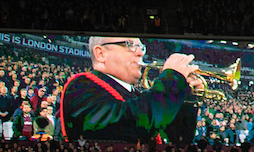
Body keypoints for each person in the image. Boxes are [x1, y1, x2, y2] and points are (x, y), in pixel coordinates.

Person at [59, 37, 201, 143]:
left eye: (141, 47)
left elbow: (179, 140)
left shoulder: (135, 95)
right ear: (100, 54)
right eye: (130, 45)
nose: (140, 53)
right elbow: (128, 126)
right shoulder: (81, 86)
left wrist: (187, 98)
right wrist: (172, 78)